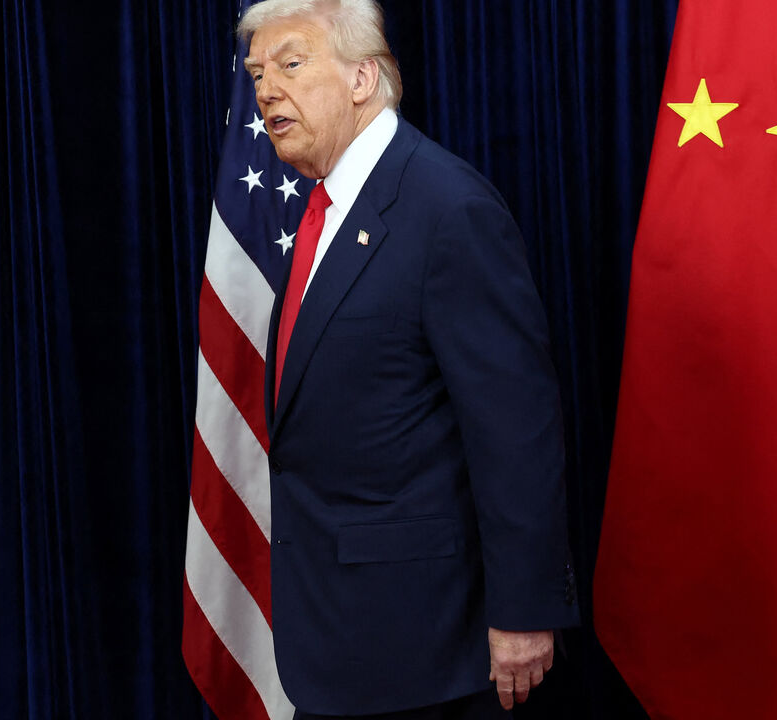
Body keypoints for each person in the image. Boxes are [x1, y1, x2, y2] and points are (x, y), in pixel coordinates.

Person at [238, 1, 578, 717]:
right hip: (337, 638)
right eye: (257, 72)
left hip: (429, 650)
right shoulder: (321, 215)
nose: (266, 90)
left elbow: (516, 428)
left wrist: (523, 609)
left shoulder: (446, 209)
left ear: (364, 77)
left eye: (291, 63)